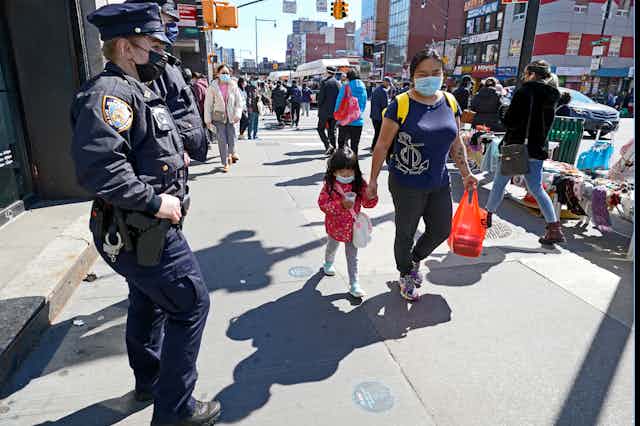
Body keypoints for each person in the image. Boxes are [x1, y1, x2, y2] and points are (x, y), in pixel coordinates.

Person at [71, 4, 219, 425]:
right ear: (125, 46)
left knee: (148, 300)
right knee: (190, 304)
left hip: (143, 229)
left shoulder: (137, 89)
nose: (160, 53)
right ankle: (175, 412)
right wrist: (156, 201)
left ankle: (150, 381)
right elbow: (100, 169)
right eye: (152, 44)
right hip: (144, 227)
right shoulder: (109, 95)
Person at [367, 49, 478, 301]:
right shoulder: (401, 104)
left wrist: (466, 173)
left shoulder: (450, 102)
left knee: (441, 229)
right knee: (405, 232)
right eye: (423, 74)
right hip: (406, 183)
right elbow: (382, 145)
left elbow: (456, 142)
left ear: (443, 74)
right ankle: (405, 273)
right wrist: (372, 181)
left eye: (436, 73)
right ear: (413, 75)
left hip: (438, 181)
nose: (430, 78)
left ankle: (414, 259)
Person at [484, 60, 565, 245]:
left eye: (525, 73)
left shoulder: (524, 91)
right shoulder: (553, 94)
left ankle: (486, 217)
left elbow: (511, 121)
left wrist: (503, 109)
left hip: (516, 146)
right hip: (537, 148)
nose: (523, 77)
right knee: (536, 188)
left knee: (499, 183)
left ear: (532, 74)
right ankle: (554, 228)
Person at [125, 0, 208, 164]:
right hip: (158, 164)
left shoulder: (165, 66)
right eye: (165, 22)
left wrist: (179, 147)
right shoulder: (140, 73)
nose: (168, 29)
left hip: (170, 161)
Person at [318, 147, 378, 298]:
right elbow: (322, 204)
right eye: (342, 173)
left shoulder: (359, 183)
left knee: (352, 256)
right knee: (332, 246)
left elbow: (367, 204)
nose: (346, 176)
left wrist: (371, 196)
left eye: (349, 172)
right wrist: (340, 205)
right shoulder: (330, 185)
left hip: (353, 229)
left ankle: (354, 284)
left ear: (355, 170)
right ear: (333, 171)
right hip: (335, 227)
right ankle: (328, 262)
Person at [203, 64, 244, 172]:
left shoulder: (233, 85)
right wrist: (207, 120)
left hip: (231, 117)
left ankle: (231, 154)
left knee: (232, 138)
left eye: (227, 73)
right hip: (218, 118)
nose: (225, 75)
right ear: (217, 74)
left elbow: (239, 102)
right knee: (222, 140)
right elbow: (208, 105)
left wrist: (238, 114)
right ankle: (225, 162)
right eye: (223, 73)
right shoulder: (212, 87)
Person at [334, 69, 368, 154]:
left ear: (348, 77)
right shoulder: (363, 87)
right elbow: (364, 103)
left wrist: (337, 115)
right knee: (354, 146)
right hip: (358, 121)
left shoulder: (346, 86)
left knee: (341, 145)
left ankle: (341, 165)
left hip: (345, 121)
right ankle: (354, 165)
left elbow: (339, 101)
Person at [316, 66, 341, 155]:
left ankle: (328, 145)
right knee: (332, 131)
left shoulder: (324, 82)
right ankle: (333, 149)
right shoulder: (338, 83)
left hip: (324, 111)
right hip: (334, 112)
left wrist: (318, 105)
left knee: (320, 129)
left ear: (327, 72)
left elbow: (321, 98)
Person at [370, 79, 390, 150]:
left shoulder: (376, 90)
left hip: (374, 115)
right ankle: (374, 148)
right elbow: (385, 106)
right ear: (385, 82)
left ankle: (373, 147)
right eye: (388, 83)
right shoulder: (384, 92)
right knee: (379, 133)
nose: (388, 85)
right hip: (380, 116)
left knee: (377, 132)